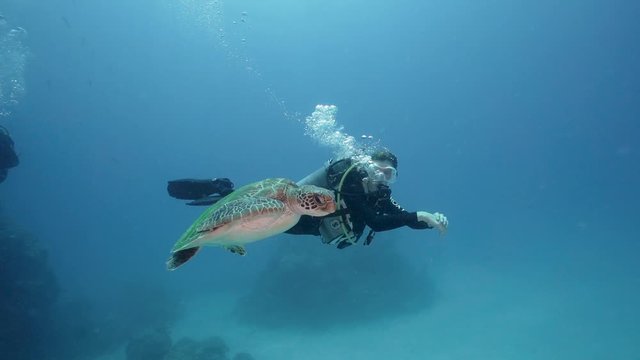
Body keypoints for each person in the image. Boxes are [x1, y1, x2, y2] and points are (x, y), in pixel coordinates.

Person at [167, 150, 448, 248]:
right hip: (296, 216)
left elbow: (404, 217)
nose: (383, 178)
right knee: (252, 213)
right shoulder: (352, 181)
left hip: (313, 226)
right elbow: (375, 221)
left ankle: (226, 195)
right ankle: (223, 189)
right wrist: (417, 217)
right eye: (378, 170)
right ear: (366, 166)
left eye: (390, 175)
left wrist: (429, 221)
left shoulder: (379, 193)